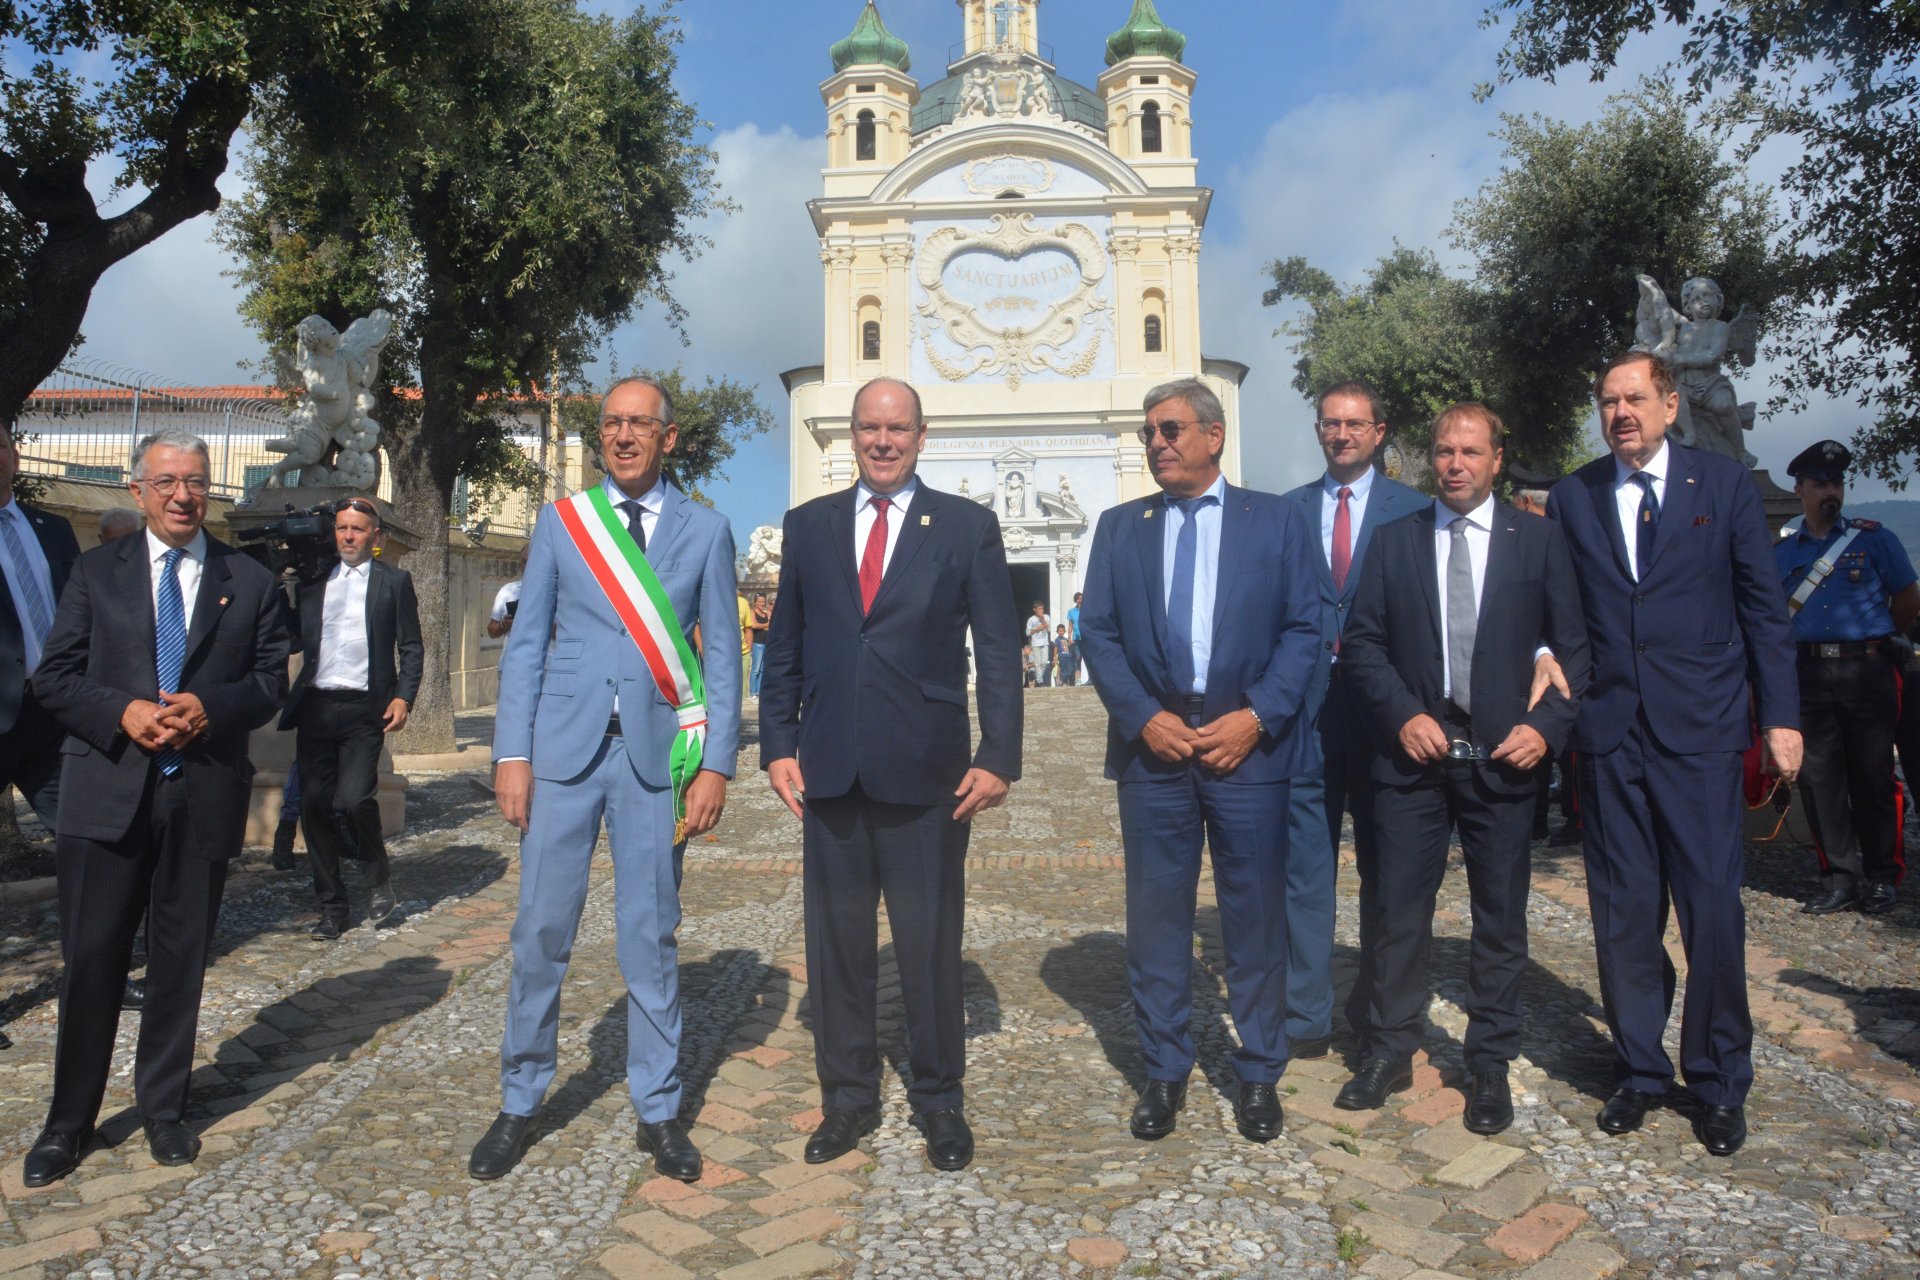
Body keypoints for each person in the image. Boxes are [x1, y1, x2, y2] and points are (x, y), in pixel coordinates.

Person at [472, 376, 741, 1183]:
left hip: (657, 763)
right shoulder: (563, 523)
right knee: (539, 935)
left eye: (639, 424)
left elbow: (724, 658)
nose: (623, 436)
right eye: (612, 424)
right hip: (560, 756)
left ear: (670, 436)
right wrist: (509, 755)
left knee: (650, 939)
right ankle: (521, 1099)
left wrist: (719, 765)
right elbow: (525, 645)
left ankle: (658, 1109)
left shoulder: (708, 530)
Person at [760, 377, 1021, 1173]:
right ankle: (848, 1098)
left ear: (920, 434)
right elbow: (785, 650)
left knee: (927, 946)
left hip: (929, 775)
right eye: (870, 428)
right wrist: (777, 744)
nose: (882, 441)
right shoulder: (810, 526)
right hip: (830, 772)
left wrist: (998, 755)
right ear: (852, 433)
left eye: (897, 428)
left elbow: (1000, 650)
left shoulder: (967, 527)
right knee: (838, 949)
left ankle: (940, 1099)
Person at [1544, 351, 1800, 1158]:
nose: (1621, 412)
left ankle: (1721, 1079)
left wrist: (1781, 717)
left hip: (1702, 736)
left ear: (1669, 403)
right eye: (1608, 399)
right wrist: (1553, 671)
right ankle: (1641, 1070)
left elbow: (1764, 612)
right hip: (1611, 737)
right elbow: (1562, 612)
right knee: (1624, 915)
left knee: (1712, 912)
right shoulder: (1576, 497)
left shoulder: (1720, 487)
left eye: (1635, 398)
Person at [23, 427, 290, 1186]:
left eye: (197, 481)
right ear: (137, 489)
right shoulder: (95, 572)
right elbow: (56, 676)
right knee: (93, 960)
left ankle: (164, 1110)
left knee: (179, 961)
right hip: (106, 792)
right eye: (168, 481)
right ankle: (67, 1123)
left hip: (200, 792)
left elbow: (272, 681)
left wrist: (211, 705)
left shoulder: (251, 579)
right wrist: (123, 713)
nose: (183, 494)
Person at [1079, 377, 1321, 1144]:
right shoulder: (1122, 528)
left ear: (1214, 436)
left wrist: (1256, 717)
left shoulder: (1275, 521)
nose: (1158, 443)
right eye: (1151, 432)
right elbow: (1100, 634)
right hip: (1155, 757)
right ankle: (1164, 1068)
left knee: (1253, 918)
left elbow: (1306, 630)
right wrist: (1143, 717)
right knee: (1155, 918)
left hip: (1247, 753)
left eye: (1172, 429)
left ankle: (1258, 1071)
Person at [1337, 404, 1590, 1131]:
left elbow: (1574, 648)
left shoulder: (1538, 543)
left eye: (1469, 451)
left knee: (1500, 920)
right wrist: (1401, 715)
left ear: (1497, 458)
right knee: (1395, 914)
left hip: (1505, 758)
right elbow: (1363, 647)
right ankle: (1388, 1051)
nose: (1454, 463)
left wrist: (1545, 731)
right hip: (1413, 756)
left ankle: (1489, 1064)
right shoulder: (1393, 543)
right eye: (1443, 451)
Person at [1279, 382, 1426, 1063]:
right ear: (1318, 431)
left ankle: (1377, 1010)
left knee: (1386, 873)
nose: (1342, 434)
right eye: (1331, 423)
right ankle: (1306, 1016)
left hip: (1383, 719)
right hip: (1302, 718)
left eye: (1355, 423)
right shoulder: (1284, 514)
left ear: (1378, 431)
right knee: (1304, 873)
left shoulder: (1417, 511)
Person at [1773, 439, 1918, 915]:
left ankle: (1883, 877)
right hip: (1808, 671)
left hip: (1867, 669)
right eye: (1819, 484)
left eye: (1836, 483)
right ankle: (1839, 877)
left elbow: (1907, 597)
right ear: (1800, 490)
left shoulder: (1875, 540)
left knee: (1874, 775)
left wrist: (1878, 637)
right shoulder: (1782, 553)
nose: (1829, 491)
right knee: (1819, 779)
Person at [280, 498, 424, 939]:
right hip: (318, 706)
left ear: (374, 536)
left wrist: (403, 698)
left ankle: (376, 872)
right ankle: (332, 906)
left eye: (357, 529)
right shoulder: (313, 581)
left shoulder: (394, 582)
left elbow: (412, 647)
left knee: (354, 800)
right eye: (342, 528)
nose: (348, 536)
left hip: (366, 709)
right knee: (315, 805)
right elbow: (290, 637)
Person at [0, 424, 82, 1054]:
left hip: (55, 713)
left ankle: (95, 976)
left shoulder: (51, 529)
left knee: (88, 842)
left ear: (14, 453)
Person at [487, 545, 530, 640]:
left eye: (531, 561)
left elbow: (566, 633)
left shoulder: (556, 593)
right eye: (524, 562)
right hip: (512, 654)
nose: (527, 566)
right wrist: (503, 625)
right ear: (520, 564)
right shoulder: (507, 590)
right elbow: (492, 632)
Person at [1025, 600, 1053, 688]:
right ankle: (1040, 682)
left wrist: (1042, 619)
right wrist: (1037, 629)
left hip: (1045, 642)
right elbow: (1028, 633)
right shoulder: (1031, 619)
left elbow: (1048, 629)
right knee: (1037, 663)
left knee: (1044, 662)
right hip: (1035, 643)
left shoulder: (1046, 617)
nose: (1041, 610)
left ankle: (1038, 678)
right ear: (1035, 610)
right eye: (1039, 609)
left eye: (1042, 609)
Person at [749, 592, 771, 696]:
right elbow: (754, 625)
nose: (762, 603)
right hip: (758, 644)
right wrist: (766, 625)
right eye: (760, 601)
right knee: (755, 670)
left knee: (763, 669)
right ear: (755, 602)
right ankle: (753, 691)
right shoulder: (752, 612)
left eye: (763, 601)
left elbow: (772, 625)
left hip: (767, 643)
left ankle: (759, 691)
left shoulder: (767, 613)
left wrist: (763, 625)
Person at [736, 589, 754, 703]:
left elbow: (748, 628)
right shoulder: (713, 599)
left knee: (743, 694)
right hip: (722, 654)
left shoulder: (743, 602)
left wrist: (748, 650)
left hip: (743, 653)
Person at [1067, 591, 1087, 685]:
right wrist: (1069, 637)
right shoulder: (1071, 611)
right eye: (1078, 598)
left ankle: (1091, 678)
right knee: (1077, 658)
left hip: (1086, 638)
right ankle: (1078, 679)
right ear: (1076, 600)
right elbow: (1070, 625)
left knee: (1088, 658)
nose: (1080, 600)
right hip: (1076, 638)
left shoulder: (1087, 609)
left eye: (1081, 598)